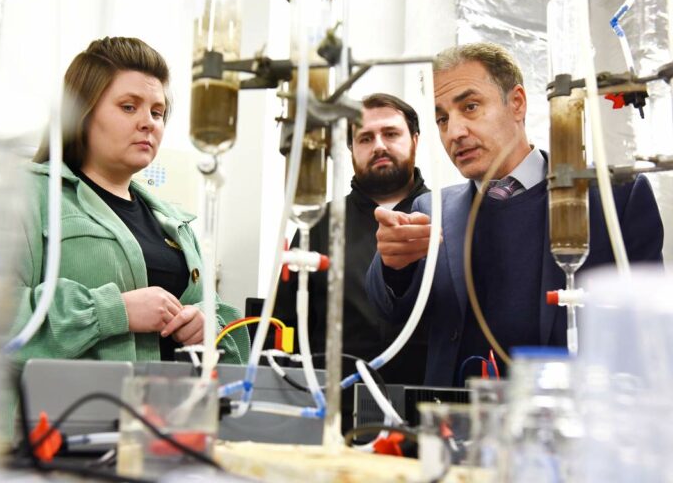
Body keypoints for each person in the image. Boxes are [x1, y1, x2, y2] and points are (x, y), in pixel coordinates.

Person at [366, 42, 664, 387]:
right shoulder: (431, 210)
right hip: (459, 424)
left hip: (572, 424)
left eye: (471, 106)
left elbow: (648, 332)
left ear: (517, 103)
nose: (455, 132)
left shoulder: (614, 198)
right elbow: (392, 313)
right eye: (443, 119)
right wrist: (393, 267)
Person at [12, 37, 249, 364]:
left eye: (157, 112)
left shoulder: (175, 224)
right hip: (64, 412)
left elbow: (218, 316)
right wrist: (115, 311)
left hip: (165, 410)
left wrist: (208, 327)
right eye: (128, 106)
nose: (148, 123)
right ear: (82, 112)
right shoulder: (31, 196)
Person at [275, 93, 430, 431]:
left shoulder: (446, 218)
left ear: (414, 140)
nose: (378, 145)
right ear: (351, 149)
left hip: (426, 419)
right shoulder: (316, 226)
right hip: (333, 417)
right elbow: (283, 331)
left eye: (391, 134)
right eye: (365, 138)